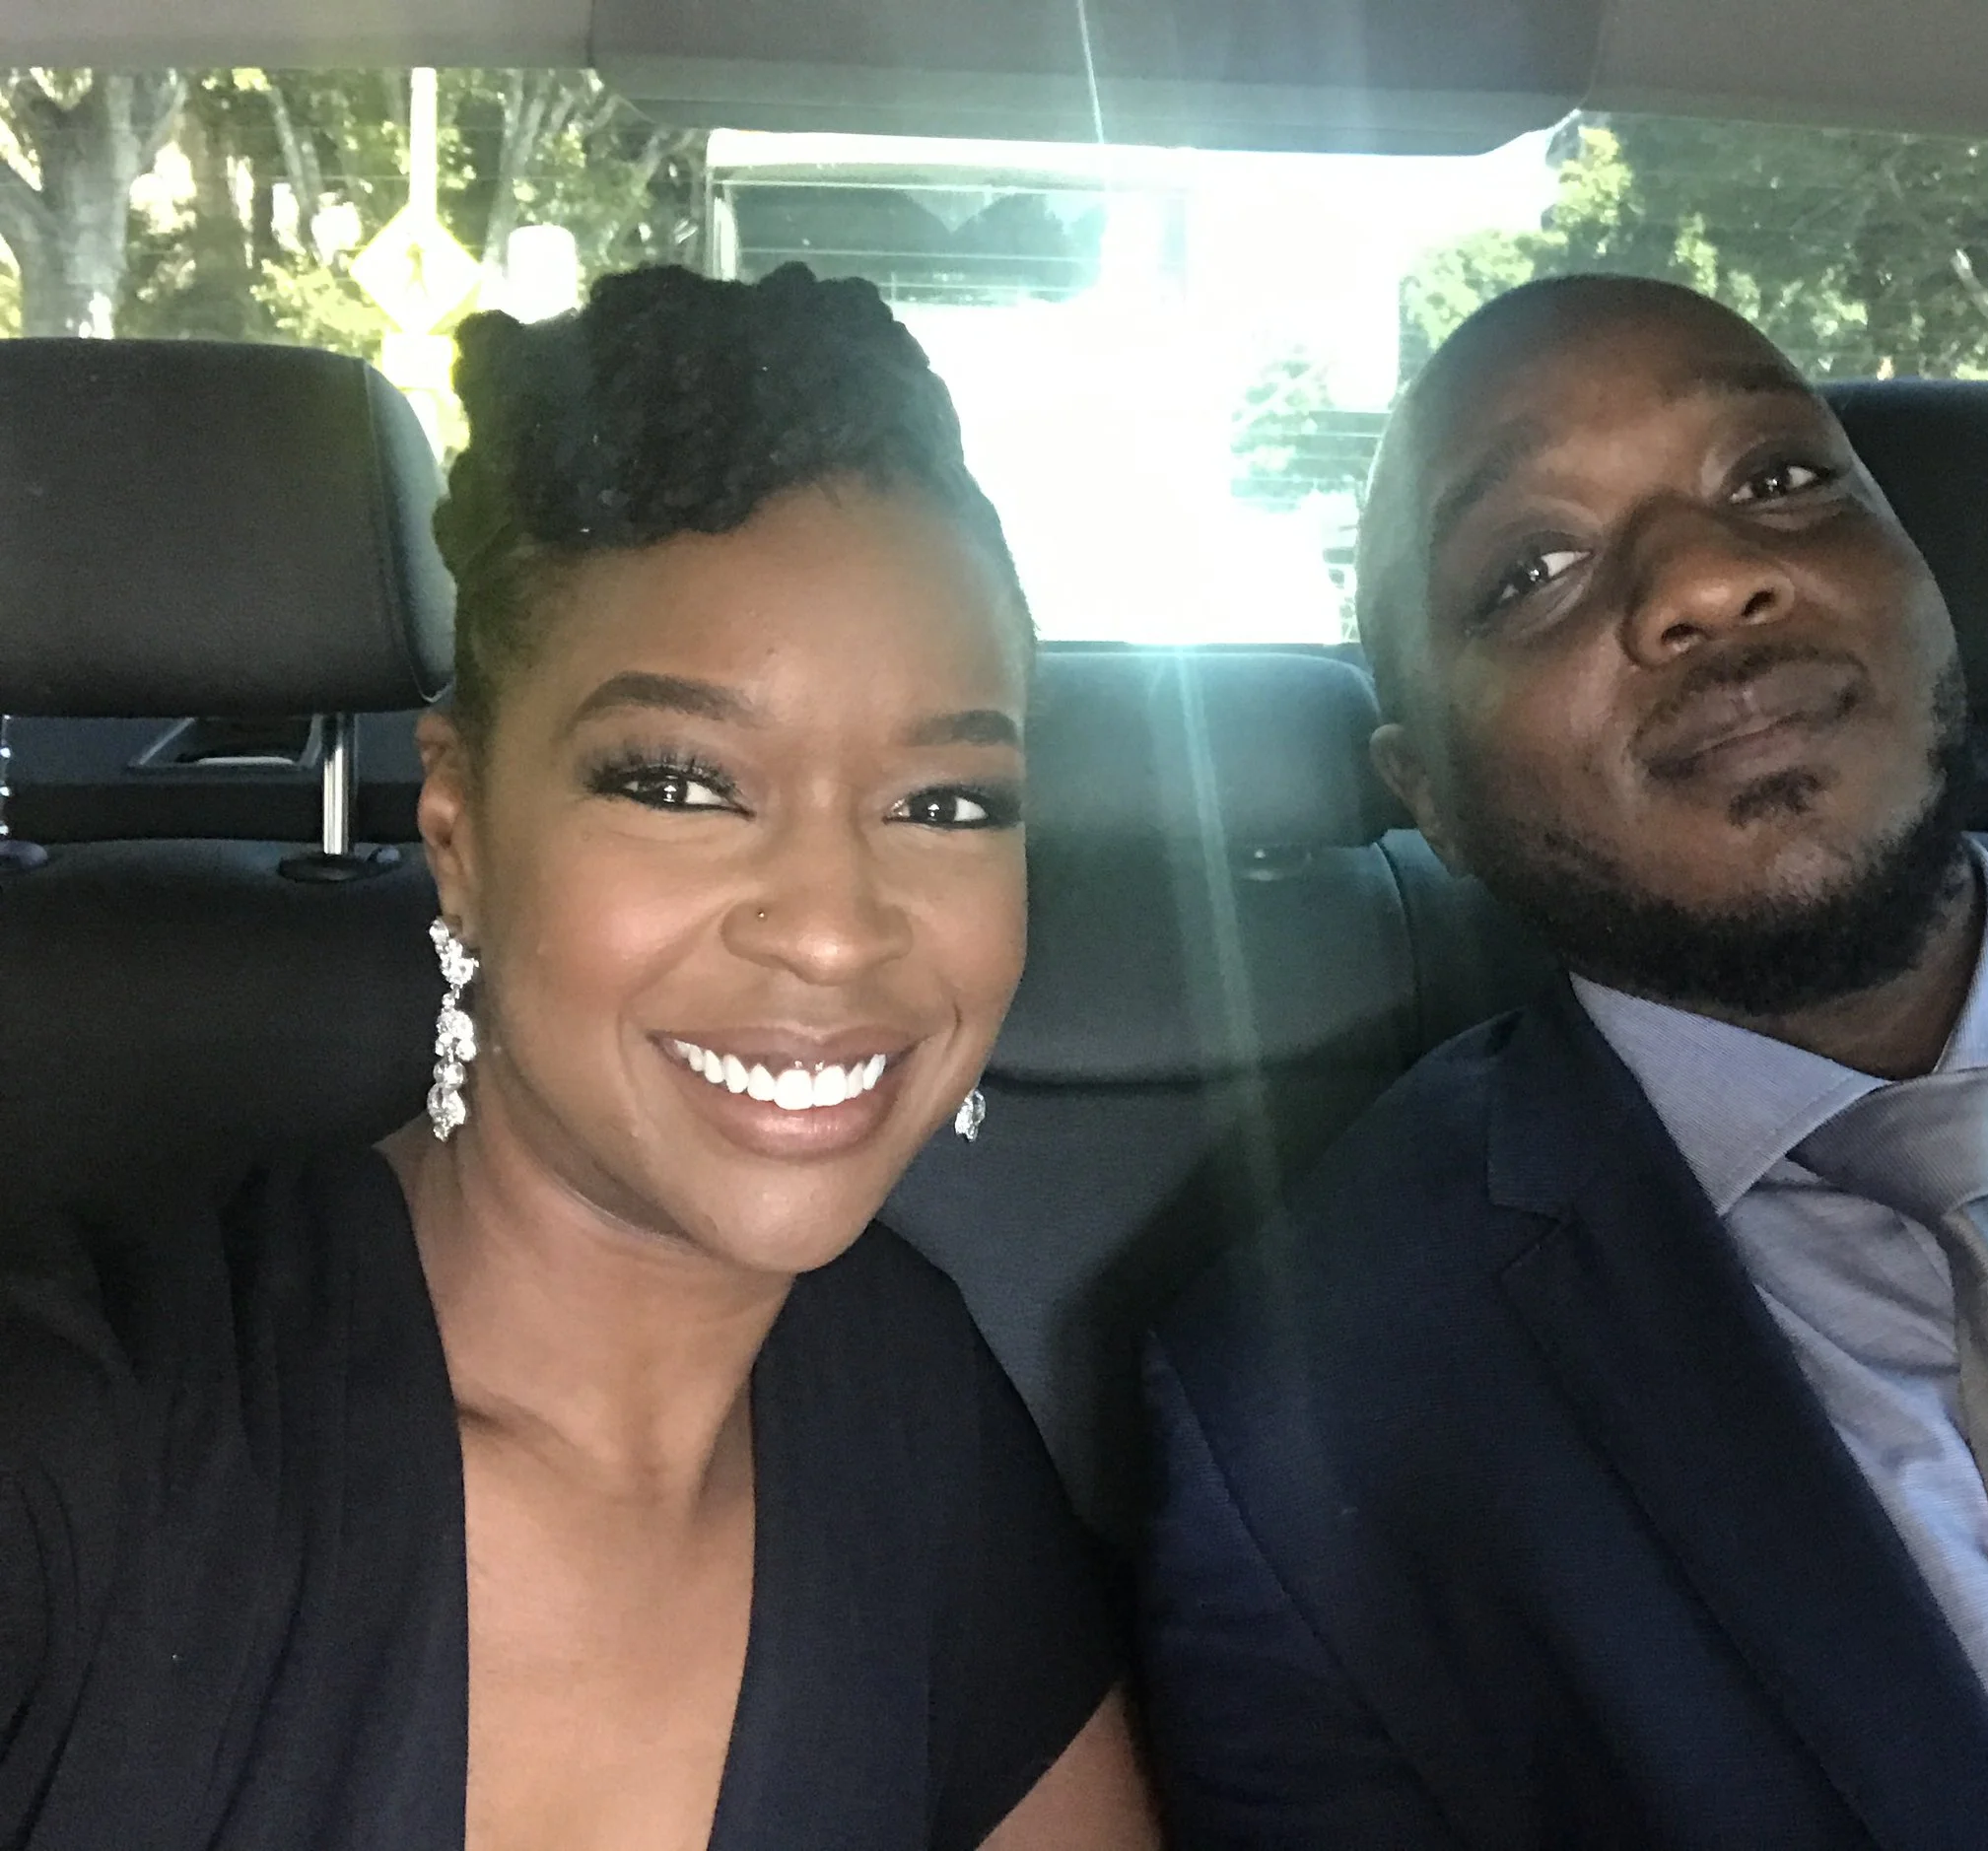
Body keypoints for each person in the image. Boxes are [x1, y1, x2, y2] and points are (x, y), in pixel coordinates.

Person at [1139, 273, 1988, 1849]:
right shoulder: (1316, 1405)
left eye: (1776, 480)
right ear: (1428, 790)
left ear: (1921, 578)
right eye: (1529, 569)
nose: (1707, 579)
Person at [0, 265, 1158, 1851]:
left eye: (947, 803)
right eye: (681, 784)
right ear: (460, 829)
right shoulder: (85, 1442)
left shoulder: (910, 1416)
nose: (834, 928)